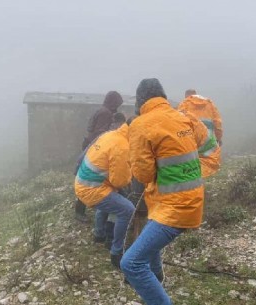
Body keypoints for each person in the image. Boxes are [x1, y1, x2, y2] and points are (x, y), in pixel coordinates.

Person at [121, 78, 207, 305]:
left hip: (174, 207)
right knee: (149, 236)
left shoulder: (141, 124)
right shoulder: (182, 117)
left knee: (130, 263)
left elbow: (144, 175)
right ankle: (156, 280)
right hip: (190, 200)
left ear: (140, 101)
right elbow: (204, 141)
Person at [74, 112, 135, 268]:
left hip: (85, 182)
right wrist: (131, 174)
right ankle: (117, 252)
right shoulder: (122, 147)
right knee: (127, 209)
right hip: (93, 188)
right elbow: (119, 181)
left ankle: (99, 234)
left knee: (112, 200)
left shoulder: (112, 135)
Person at [75, 91, 125, 222]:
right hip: (95, 146)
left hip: (91, 145)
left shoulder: (101, 110)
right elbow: (100, 131)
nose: (118, 107)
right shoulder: (106, 113)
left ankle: (87, 208)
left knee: (88, 178)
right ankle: (80, 211)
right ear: (113, 102)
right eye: (117, 104)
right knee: (91, 180)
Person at [178, 89, 223, 178]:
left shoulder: (184, 104)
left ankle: (197, 179)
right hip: (209, 141)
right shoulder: (209, 103)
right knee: (209, 164)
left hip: (192, 140)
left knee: (193, 165)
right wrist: (218, 138)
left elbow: (179, 123)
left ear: (187, 95)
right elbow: (217, 123)